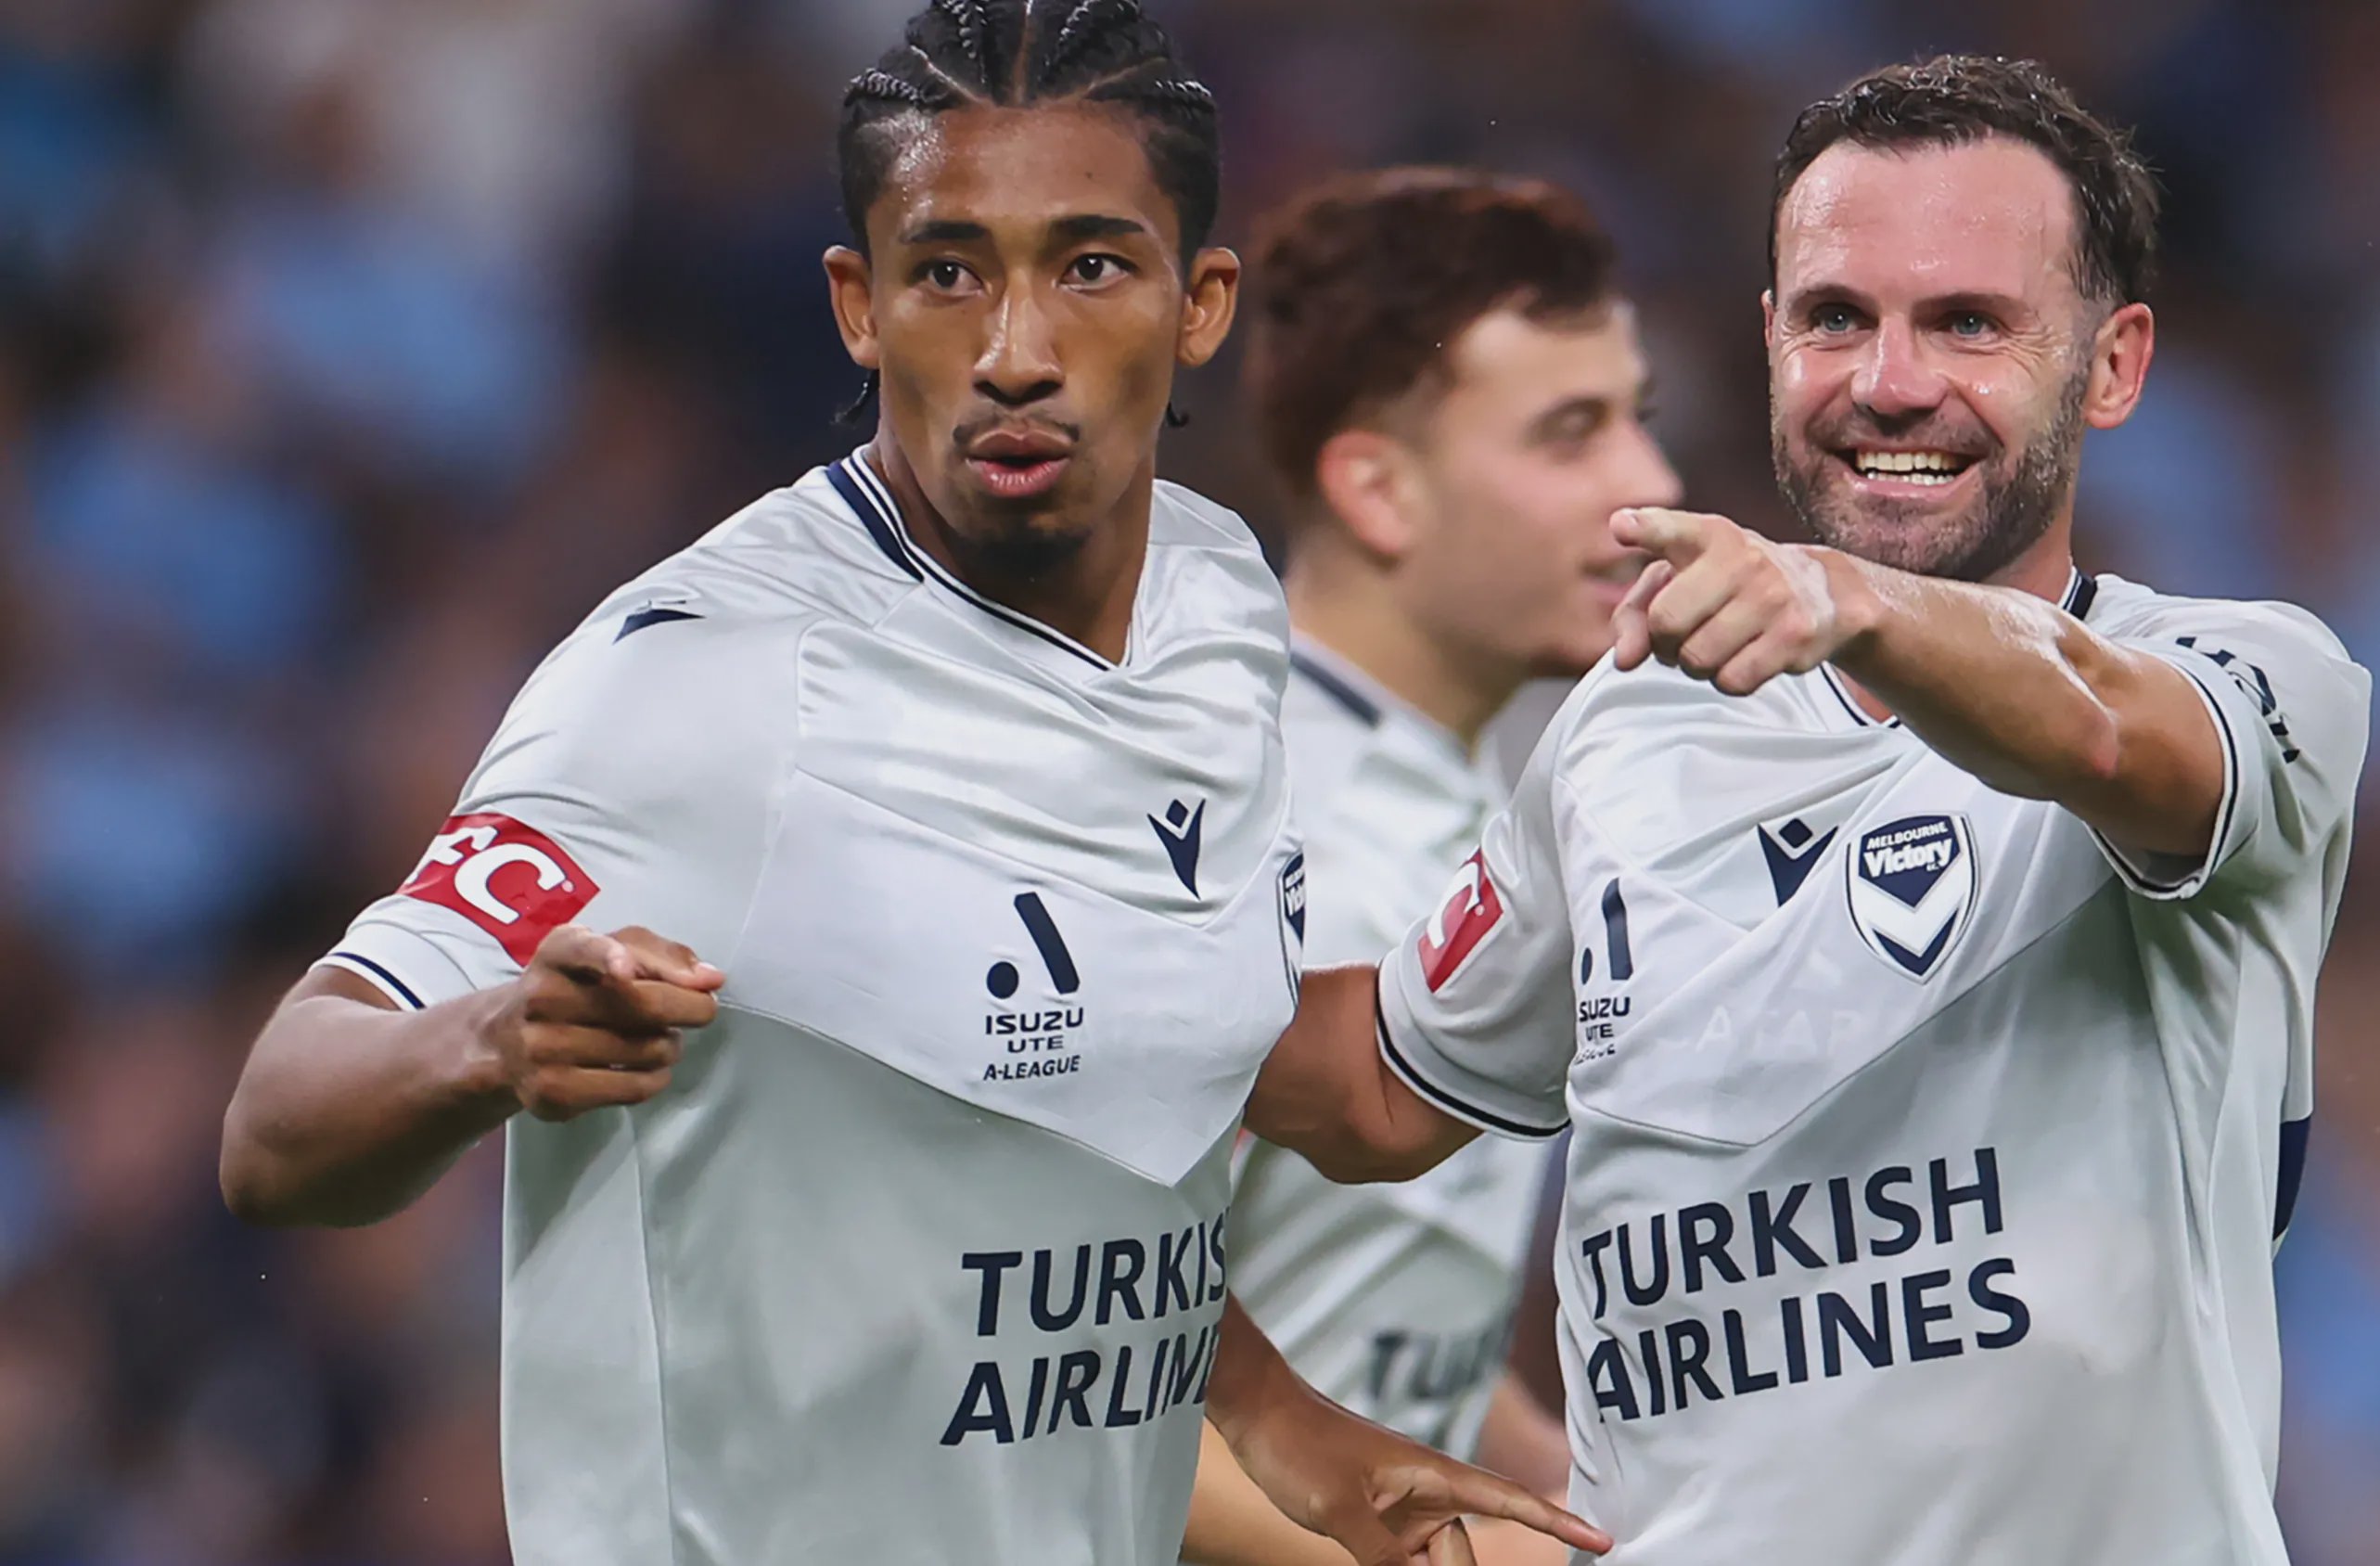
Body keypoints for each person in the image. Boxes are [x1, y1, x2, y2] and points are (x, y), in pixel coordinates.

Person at [213, 6, 1605, 1565]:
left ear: (1199, 301)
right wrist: (485, 1038)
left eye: (1091, 265)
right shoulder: (703, 680)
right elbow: (278, 1123)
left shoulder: (1217, 607)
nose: (1016, 350)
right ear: (858, 304)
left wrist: (1278, 1416)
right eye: (948, 270)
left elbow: (1107, 1113)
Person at [1246, 55, 2372, 1565]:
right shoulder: (1627, 731)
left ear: (2112, 365)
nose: (1890, 381)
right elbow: (1377, 1088)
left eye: (1969, 323)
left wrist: (1852, 597)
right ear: (1772, 338)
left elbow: (2113, 744)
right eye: (1839, 318)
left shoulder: (2256, 678)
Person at [1182, 168, 1680, 1566]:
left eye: (1637, 418)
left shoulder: (1486, 791)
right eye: (1570, 434)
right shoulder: (1229, 828)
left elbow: (1378, 1335)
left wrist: (1584, 1510)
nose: (1648, 486)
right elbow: (1062, 1359)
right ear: (1380, 488)